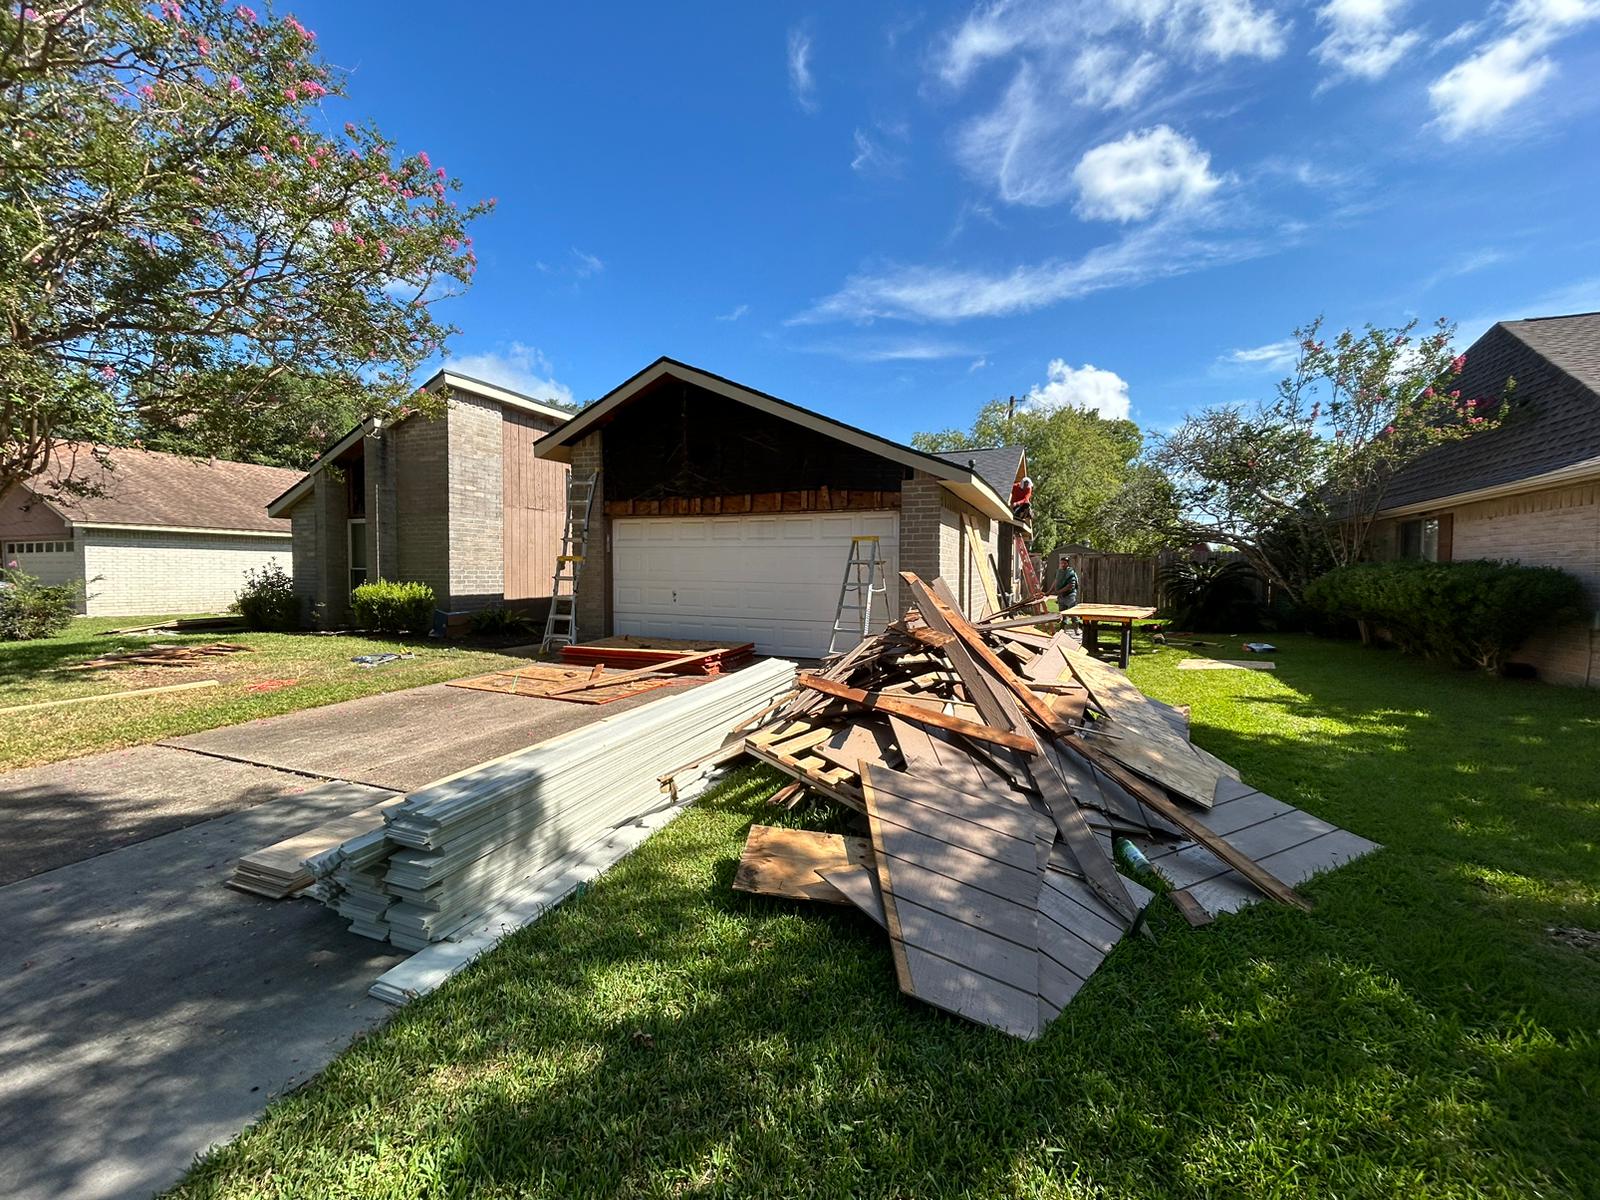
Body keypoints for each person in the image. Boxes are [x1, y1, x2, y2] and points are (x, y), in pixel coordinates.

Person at [1052, 553, 1079, 624]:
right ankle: (1063, 627)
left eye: (1064, 563)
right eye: (1061, 563)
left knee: (1073, 613)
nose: (1063, 564)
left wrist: (1058, 591)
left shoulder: (1070, 572)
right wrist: (1048, 592)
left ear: (1068, 564)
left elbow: (1071, 585)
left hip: (1069, 596)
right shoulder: (1059, 572)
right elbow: (1055, 581)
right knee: (1062, 614)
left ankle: (1076, 627)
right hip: (1061, 596)